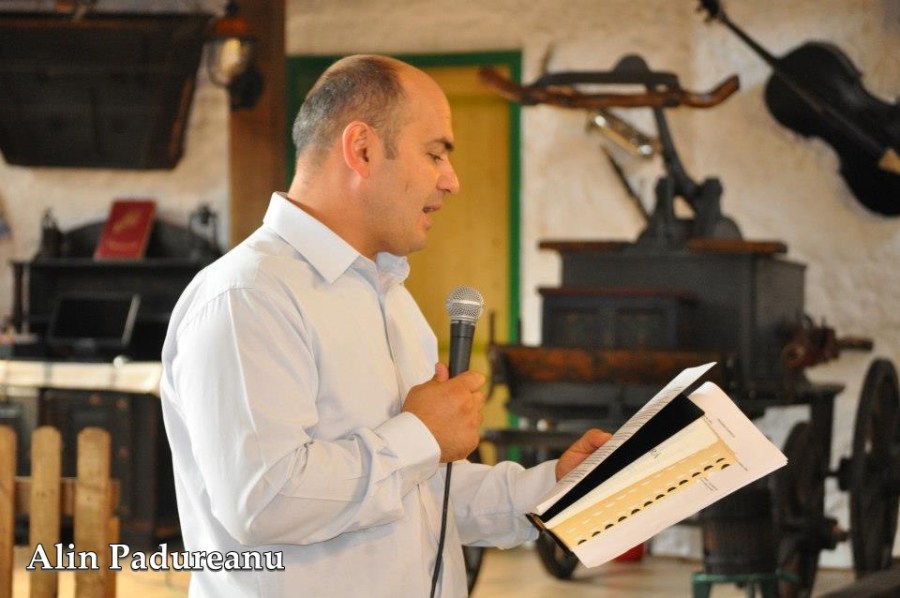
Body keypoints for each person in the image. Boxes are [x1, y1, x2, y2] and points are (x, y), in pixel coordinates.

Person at [160, 54, 610, 597]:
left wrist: (550, 489)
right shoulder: (247, 296)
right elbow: (265, 500)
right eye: (435, 153)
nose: (452, 181)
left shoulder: (389, 295)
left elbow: (417, 495)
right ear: (363, 149)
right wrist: (421, 435)